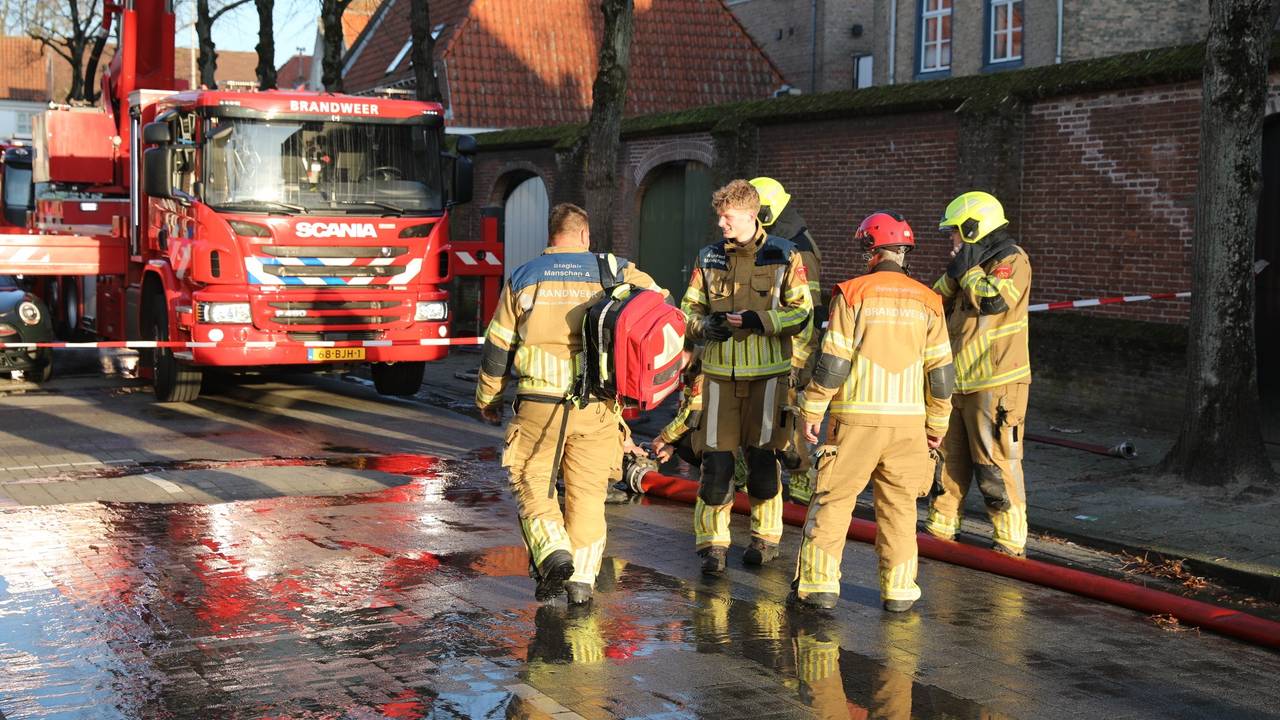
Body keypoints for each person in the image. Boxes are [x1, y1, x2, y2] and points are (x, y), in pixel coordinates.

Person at [476, 203, 663, 606]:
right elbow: (659, 308)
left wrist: (488, 398)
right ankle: (581, 583)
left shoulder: (524, 277)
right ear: (584, 235)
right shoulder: (615, 270)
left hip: (539, 403)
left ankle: (552, 552)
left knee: (532, 482)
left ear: (551, 236)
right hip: (598, 407)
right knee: (588, 496)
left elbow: (497, 347)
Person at [791, 211, 954, 612]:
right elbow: (941, 373)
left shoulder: (852, 294)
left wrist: (812, 408)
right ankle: (899, 592)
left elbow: (834, 363)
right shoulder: (930, 301)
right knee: (900, 509)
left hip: (856, 422)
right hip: (909, 426)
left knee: (834, 501)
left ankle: (819, 586)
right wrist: (938, 423)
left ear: (870, 249)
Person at [681, 179, 813, 575]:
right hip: (719, 379)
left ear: (751, 215)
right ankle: (713, 544)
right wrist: (703, 327)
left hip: (769, 379)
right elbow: (688, 310)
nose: (721, 224)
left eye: (728, 217)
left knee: (763, 462)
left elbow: (802, 311)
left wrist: (762, 320)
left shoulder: (785, 255)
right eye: (719, 217)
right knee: (716, 466)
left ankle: (765, 539)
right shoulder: (708, 257)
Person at [923, 191, 1032, 557]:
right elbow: (933, 302)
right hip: (957, 382)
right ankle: (940, 529)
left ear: (973, 228)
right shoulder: (968, 266)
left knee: (994, 465)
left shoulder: (1012, 259)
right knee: (946, 464)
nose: (951, 240)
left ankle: (1009, 540)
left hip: (996, 384)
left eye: (955, 231)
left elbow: (992, 300)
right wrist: (957, 271)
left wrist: (967, 269)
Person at [749, 176, 823, 505]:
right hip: (765, 346)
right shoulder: (773, 240)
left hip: (789, 351)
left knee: (787, 418)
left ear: (765, 212)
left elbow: (807, 312)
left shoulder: (799, 250)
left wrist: (797, 361)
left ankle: (801, 475)